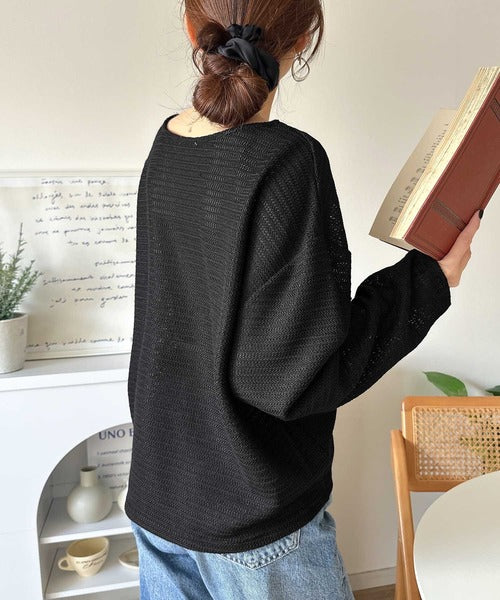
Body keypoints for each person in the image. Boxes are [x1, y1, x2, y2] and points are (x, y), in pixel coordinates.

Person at [125, 2, 483, 599]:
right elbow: (298, 377)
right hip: (252, 520)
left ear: (194, 28)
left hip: (159, 495)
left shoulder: (167, 145)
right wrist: (430, 281)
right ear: (304, 40)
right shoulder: (287, 161)